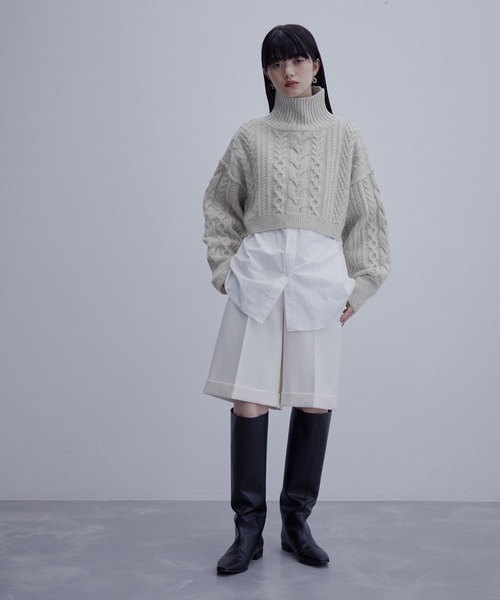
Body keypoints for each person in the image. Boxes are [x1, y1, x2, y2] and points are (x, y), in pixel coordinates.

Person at [202, 24, 390, 575]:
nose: (289, 72)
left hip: (318, 279)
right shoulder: (250, 136)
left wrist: (362, 282)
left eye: (299, 60)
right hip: (257, 278)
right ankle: (247, 531)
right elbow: (219, 205)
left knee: (313, 400)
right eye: (277, 63)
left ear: (316, 65)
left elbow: (366, 215)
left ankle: (296, 524)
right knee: (248, 400)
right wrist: (225, 270)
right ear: (266, 72)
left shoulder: (345, 135)